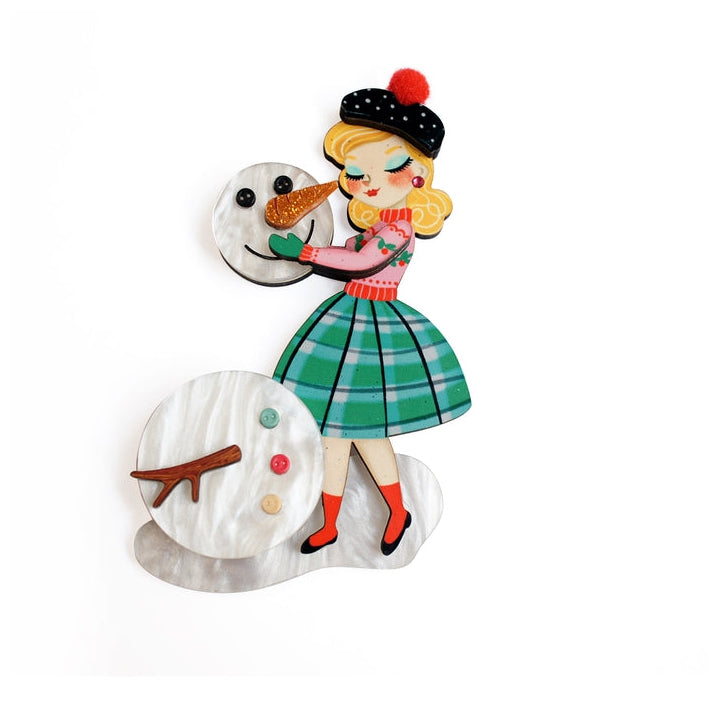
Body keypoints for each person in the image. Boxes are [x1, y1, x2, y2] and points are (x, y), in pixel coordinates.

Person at [268, 69, 471, 555]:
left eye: (389, 168)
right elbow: (352, 253)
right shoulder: (377, 225)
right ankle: (330, 523)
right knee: (331, 433)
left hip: (375, 331)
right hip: (347, 319)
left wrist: (306, 253)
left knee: (365, 433)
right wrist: (313, 250)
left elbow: (362, 262)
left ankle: (397, 511)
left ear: (418, 174)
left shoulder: (399, 230)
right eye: (357, 174)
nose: (368, 184)